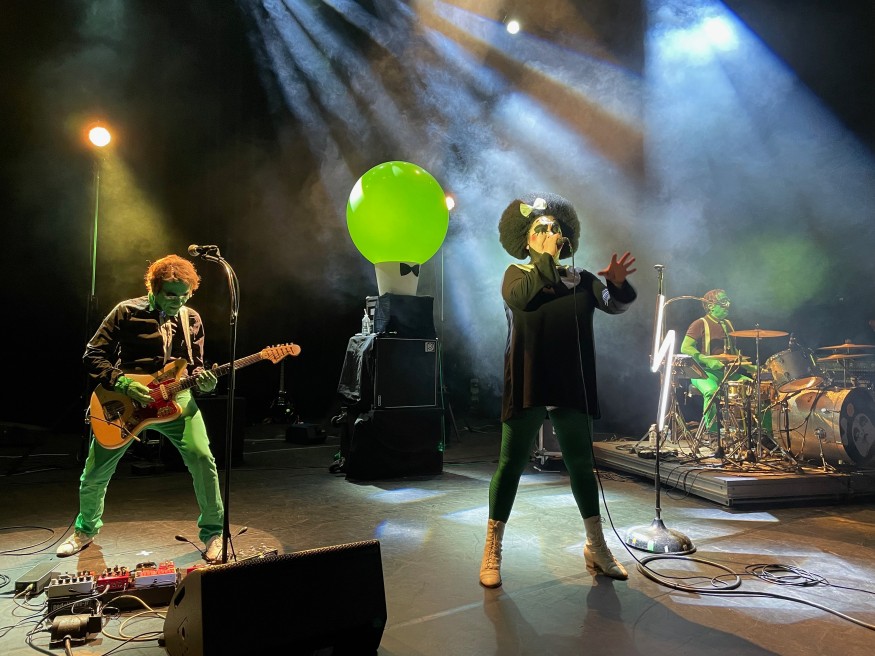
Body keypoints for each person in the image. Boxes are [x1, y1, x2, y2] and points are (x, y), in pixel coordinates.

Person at [480, 193, 637, 588]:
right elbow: (523, 299)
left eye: (555, 227)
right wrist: (546, 260)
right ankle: (492, 548)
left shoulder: (582, 279)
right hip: (529, 379)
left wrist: (617, 285)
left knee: (581, 465)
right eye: (541, 228)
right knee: (510, 465)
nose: (551, 232)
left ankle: (596, 546)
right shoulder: (516, 274)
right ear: (526, 240)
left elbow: (613, 305)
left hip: (571, 381)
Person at [57, 254, 225, 562]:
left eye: (184, 295)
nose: (178, 301)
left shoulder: (191, 319)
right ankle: (85, 530)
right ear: (154, 288)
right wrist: (122, 383)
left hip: (176, 399)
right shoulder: (126, 311)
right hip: (127, 400)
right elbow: (93, 354)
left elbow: (196, 367)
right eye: (171, 295)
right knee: (96, 472)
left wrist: (205, 383)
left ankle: (214, 533)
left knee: (203, 459)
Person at [680, 289, 757, 439]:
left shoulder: (728, 324)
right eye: (723, 301)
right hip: (704, 373)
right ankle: (713, 435)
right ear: (710, 306)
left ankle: (761, 434)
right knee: (712, 391)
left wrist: (750, 367)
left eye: (728, 301)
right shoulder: (699, 323)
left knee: (756, 389)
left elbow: (734, 353)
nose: (727, 305)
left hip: (728, 373)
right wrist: (707, 360)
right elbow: (685, 347)